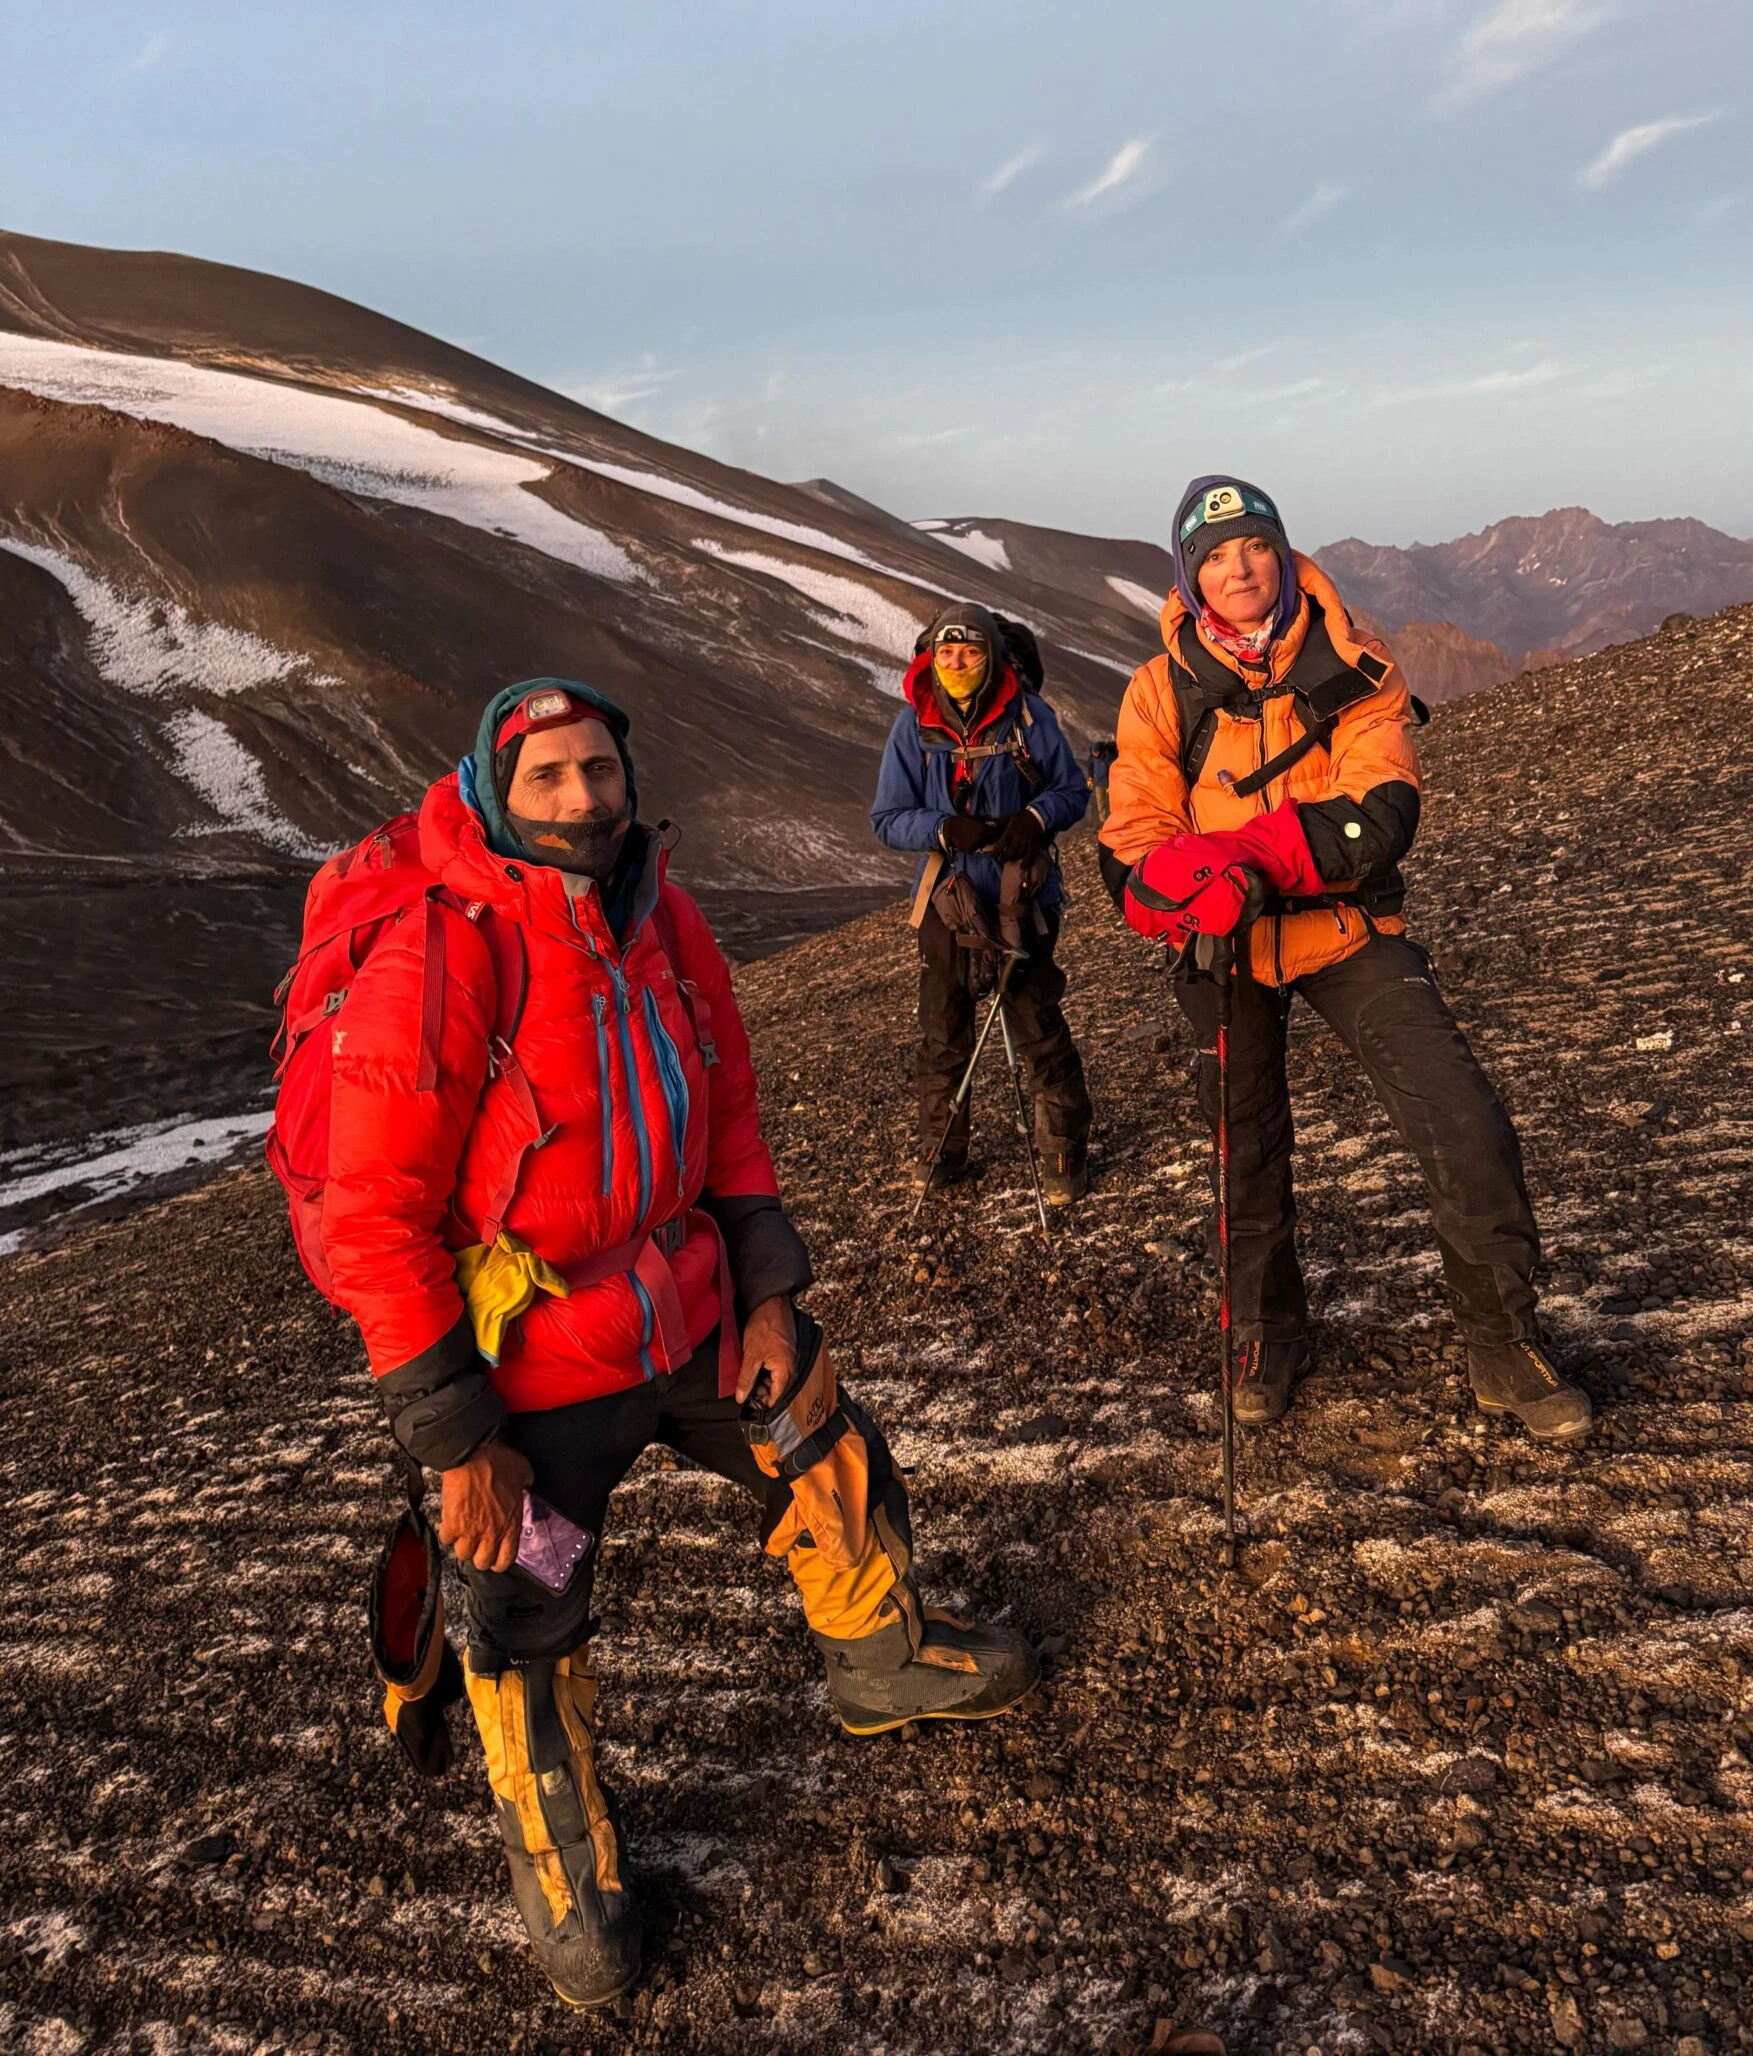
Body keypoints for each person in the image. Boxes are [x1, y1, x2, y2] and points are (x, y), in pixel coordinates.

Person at [323, 679, 1037, 2009]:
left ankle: (882, 1658)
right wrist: (461, 1442)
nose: (581, 798)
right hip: (529, 1368)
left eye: (598, 770)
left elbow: (729, 1105)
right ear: (493, 788)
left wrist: (766, 1289)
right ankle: (565, 1867)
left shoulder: (660, 912)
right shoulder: (442, 953)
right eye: (546, 777)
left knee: (818, 1427)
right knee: (524, 1610)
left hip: (682, 1303)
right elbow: (371, 1217)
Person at [1100, 479, 1592, 1446]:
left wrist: (1245, 857)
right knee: (1243, 1151)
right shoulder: (1158, 689)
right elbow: (1130, 837)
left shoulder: (1357, 662)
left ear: (1282, 554)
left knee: (1463, 1119)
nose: (1236, 567)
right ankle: (1267, 1338)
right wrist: (1186, 884)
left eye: (1252, 547)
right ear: (1190, 575)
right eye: (1213, 555)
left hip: (1349, 932)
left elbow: (1384, 806)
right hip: (1222, 944)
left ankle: (1503, 1343)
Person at [870, 606, 1094, 1205]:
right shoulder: (912, 728)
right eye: (946, 654)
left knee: (1036, 1024)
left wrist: (1034, 817)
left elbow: (1072, 791)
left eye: (969, 653)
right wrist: (945, 829)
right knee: (943, 1029)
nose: (958, 664)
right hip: (949, 899)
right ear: (929, 659)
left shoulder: (1027, 716)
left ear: (991, 654)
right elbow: (886, 819)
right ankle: (940, 1151)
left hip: (1024, 897)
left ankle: (1063, 1153)